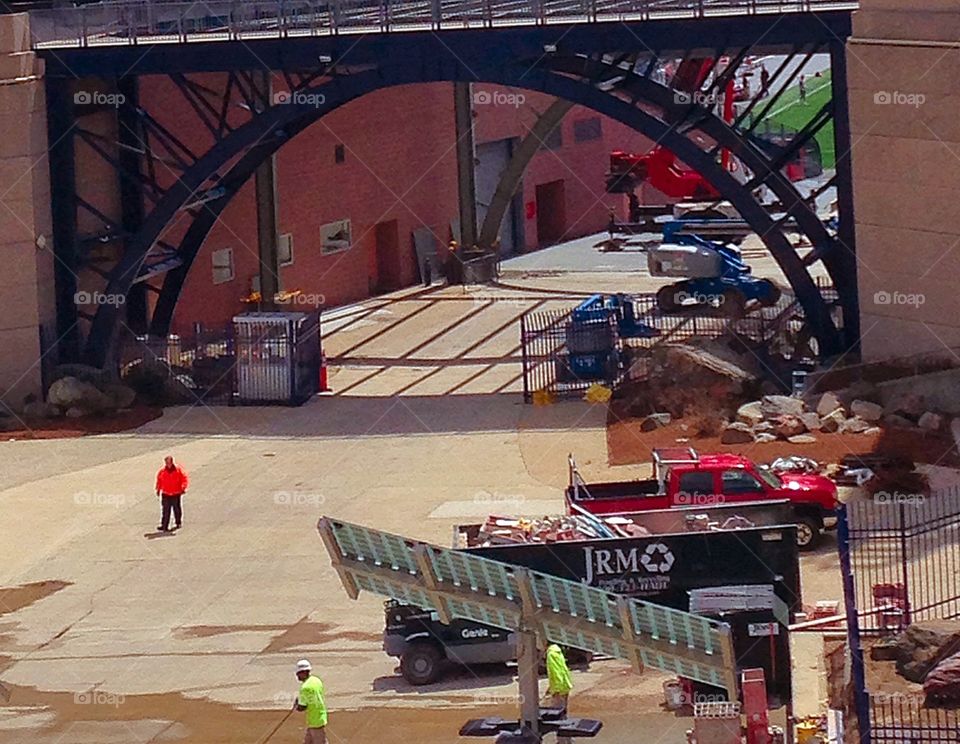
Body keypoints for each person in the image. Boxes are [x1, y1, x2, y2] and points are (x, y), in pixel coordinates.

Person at [543, 644, 574, 744]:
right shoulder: (557, 651)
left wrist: (556, 690)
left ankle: (562, 741)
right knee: (563, 715)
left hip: (559, 689)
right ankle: (567, 739)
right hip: (564, 686)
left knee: (558, 717)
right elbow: (562, 670)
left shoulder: (551, 654)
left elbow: (555, 672)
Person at [294, 659, 327, 744]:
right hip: (320, 715)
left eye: (298, 673)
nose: (297, 676)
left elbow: (302, 707)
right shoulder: (316, 680)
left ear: (303, 672)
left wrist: (296, 705)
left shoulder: (305, 688)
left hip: (315, 721)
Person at [155, 455, 188, 532]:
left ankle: (178, 522)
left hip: (176, 493)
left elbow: (184, 479)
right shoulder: (162, 472)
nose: (168, 464)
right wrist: (158, 489)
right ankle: (164, 525)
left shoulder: (178, 470)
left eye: (169, 463)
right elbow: (159, 481)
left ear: (172, 462)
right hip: (166, 493)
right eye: (166, 463)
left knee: (176, 509)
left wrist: (183, 487)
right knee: (165, 510)